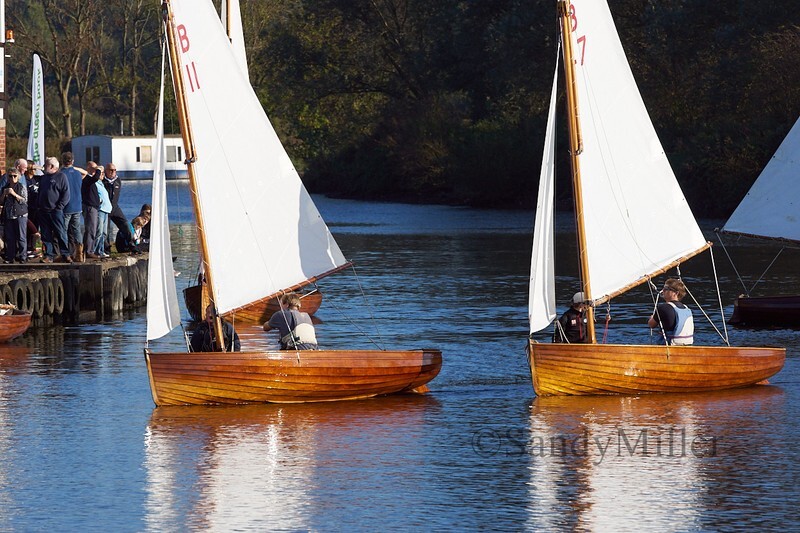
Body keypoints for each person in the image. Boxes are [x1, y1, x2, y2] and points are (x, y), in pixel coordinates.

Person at [37, 157, 72, 263]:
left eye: (46, 165)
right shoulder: (44, 178)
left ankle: (65, 254)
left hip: (55, 210)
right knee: (45, 234)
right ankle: (49, 255)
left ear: (52, 166)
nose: (44, 167)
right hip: (43, 210)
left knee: (60, 233)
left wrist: (59, 207)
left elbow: (66, 194)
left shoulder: (61, 176)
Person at [102, 163, 137, 254]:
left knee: (125, 224)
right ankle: (106, 249)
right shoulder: (102, 181)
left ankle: (131, 244)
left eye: (114, 170)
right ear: (106, 171)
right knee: (106, 231)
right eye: (111, 170)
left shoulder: (117, 180)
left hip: (115, 207)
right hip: (105, 208)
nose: (113, 172)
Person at [648, 277, 694, 345]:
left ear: (676, 293)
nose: (663, 290)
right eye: (663, 288)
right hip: (687, 346)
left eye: (666, 289)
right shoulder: (687, 309)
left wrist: (652, 317)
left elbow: (651, 324)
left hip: (669, 346)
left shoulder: (663, 308)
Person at [1, 169, 29, 263]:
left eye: (14, 176)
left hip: (20, 215)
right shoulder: (5, 187)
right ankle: (10, 257)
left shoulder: (22, 187)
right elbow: (1, 202)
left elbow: (24, 201)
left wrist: (14, 194)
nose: (12, 178)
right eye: (10, 176)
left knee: (21, 237)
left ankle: (22, 257)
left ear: (18, 177)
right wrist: (4, 195)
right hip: (9, 215)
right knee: (9, 237)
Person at [60, 152, 84, 261]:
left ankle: (66, 253)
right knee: (76, 230)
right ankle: (79, 253)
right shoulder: (78, 174)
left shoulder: (61, 174)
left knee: (63, 230)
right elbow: (86, 173)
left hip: (66, 207)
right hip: (77, 206)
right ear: (72, 161)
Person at [81, 162, 102, 259]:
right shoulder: (86, 179)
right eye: (94, 168)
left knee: (93, 229)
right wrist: (98, 170)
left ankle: (88, 249)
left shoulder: (89, 179)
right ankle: (89, 250)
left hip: (94, 206)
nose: (96, 170)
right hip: (89, 207)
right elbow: (95, 178)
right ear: (88, 168)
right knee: (91, 229)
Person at [94, 175, 112, 258]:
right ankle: (95, 251)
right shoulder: (95, 183)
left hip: (106, 210)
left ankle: (101, 250)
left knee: (104, 233)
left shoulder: (102, 184)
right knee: (99, 232)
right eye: (100, 173)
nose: (102, 175)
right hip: (100, 210)